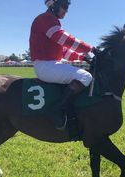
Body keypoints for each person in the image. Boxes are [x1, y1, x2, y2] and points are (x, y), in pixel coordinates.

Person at [30, 0, 95, 130]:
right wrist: (90, 48)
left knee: (81, 73)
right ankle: (56, 110)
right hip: (46, 66)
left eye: (67, 7)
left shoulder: (49, 20)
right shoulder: (46, 19)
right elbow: (65, 39)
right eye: (64, 6)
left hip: (49, 64)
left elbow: (62, 51)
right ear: (53, 5)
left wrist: (82, 57)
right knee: (85, 77)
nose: (66, 10)